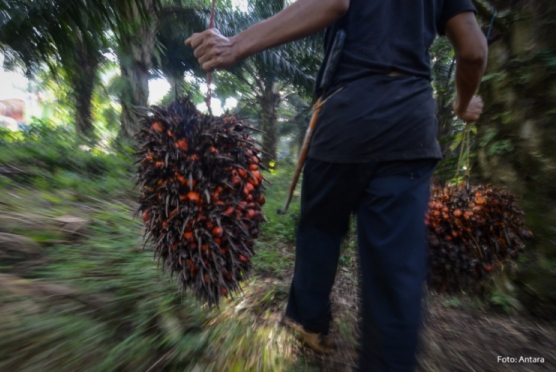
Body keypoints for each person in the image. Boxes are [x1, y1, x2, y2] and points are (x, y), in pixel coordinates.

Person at [186, 0, 487, 370]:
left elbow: (332, 2)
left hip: (344, 120)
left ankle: (309, 321)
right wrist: (462, 102)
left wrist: (236, 44)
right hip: (409, 130)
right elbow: (473, 51)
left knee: (320, 228)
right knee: (395, 274)